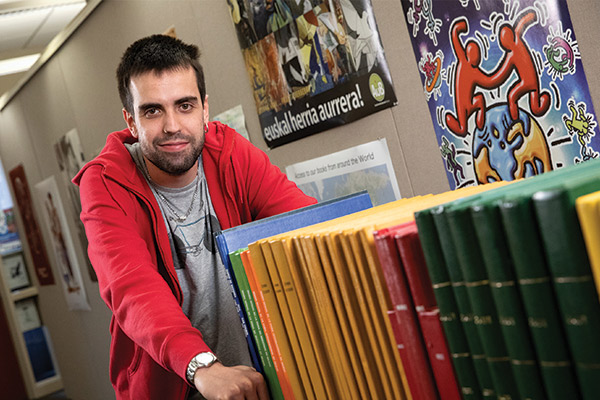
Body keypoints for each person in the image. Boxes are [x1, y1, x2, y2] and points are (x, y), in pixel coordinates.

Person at [73, 34, 316, 400]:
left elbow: (307, 225)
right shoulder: (106, 182)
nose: (172, 125)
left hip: (258, 379)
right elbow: (132, 288)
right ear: (131, 121)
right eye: (153, 110)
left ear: (204, 109)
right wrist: (203, 367)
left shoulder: (230, 151)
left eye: (184, 106)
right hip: (177, 386)